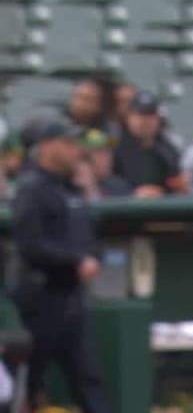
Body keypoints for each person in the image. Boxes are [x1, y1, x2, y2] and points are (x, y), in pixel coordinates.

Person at [10, 115, 113, 413]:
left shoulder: (72, 191)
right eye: (66, 144)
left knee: (89, 380)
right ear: (45, 147)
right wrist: (75, 260)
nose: (74, 150)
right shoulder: (32, 189)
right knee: (26, 384)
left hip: (73, 301)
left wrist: (93, 257)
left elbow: (90, 237)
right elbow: (30, 245)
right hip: (39, 301)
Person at [113, 91, 188, 197]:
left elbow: (176, 185)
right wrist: (131, 193)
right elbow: (106, 184)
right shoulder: (114, 147)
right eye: (140, 114)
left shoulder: (168, 150)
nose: (145, 120)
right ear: (128, 117)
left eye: (150, 115)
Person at [76, 129, 133, 201]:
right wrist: (89, 189)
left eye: (108, 151)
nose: (107, 158)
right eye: (99, 152)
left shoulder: (119, 186)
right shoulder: (73, 187)